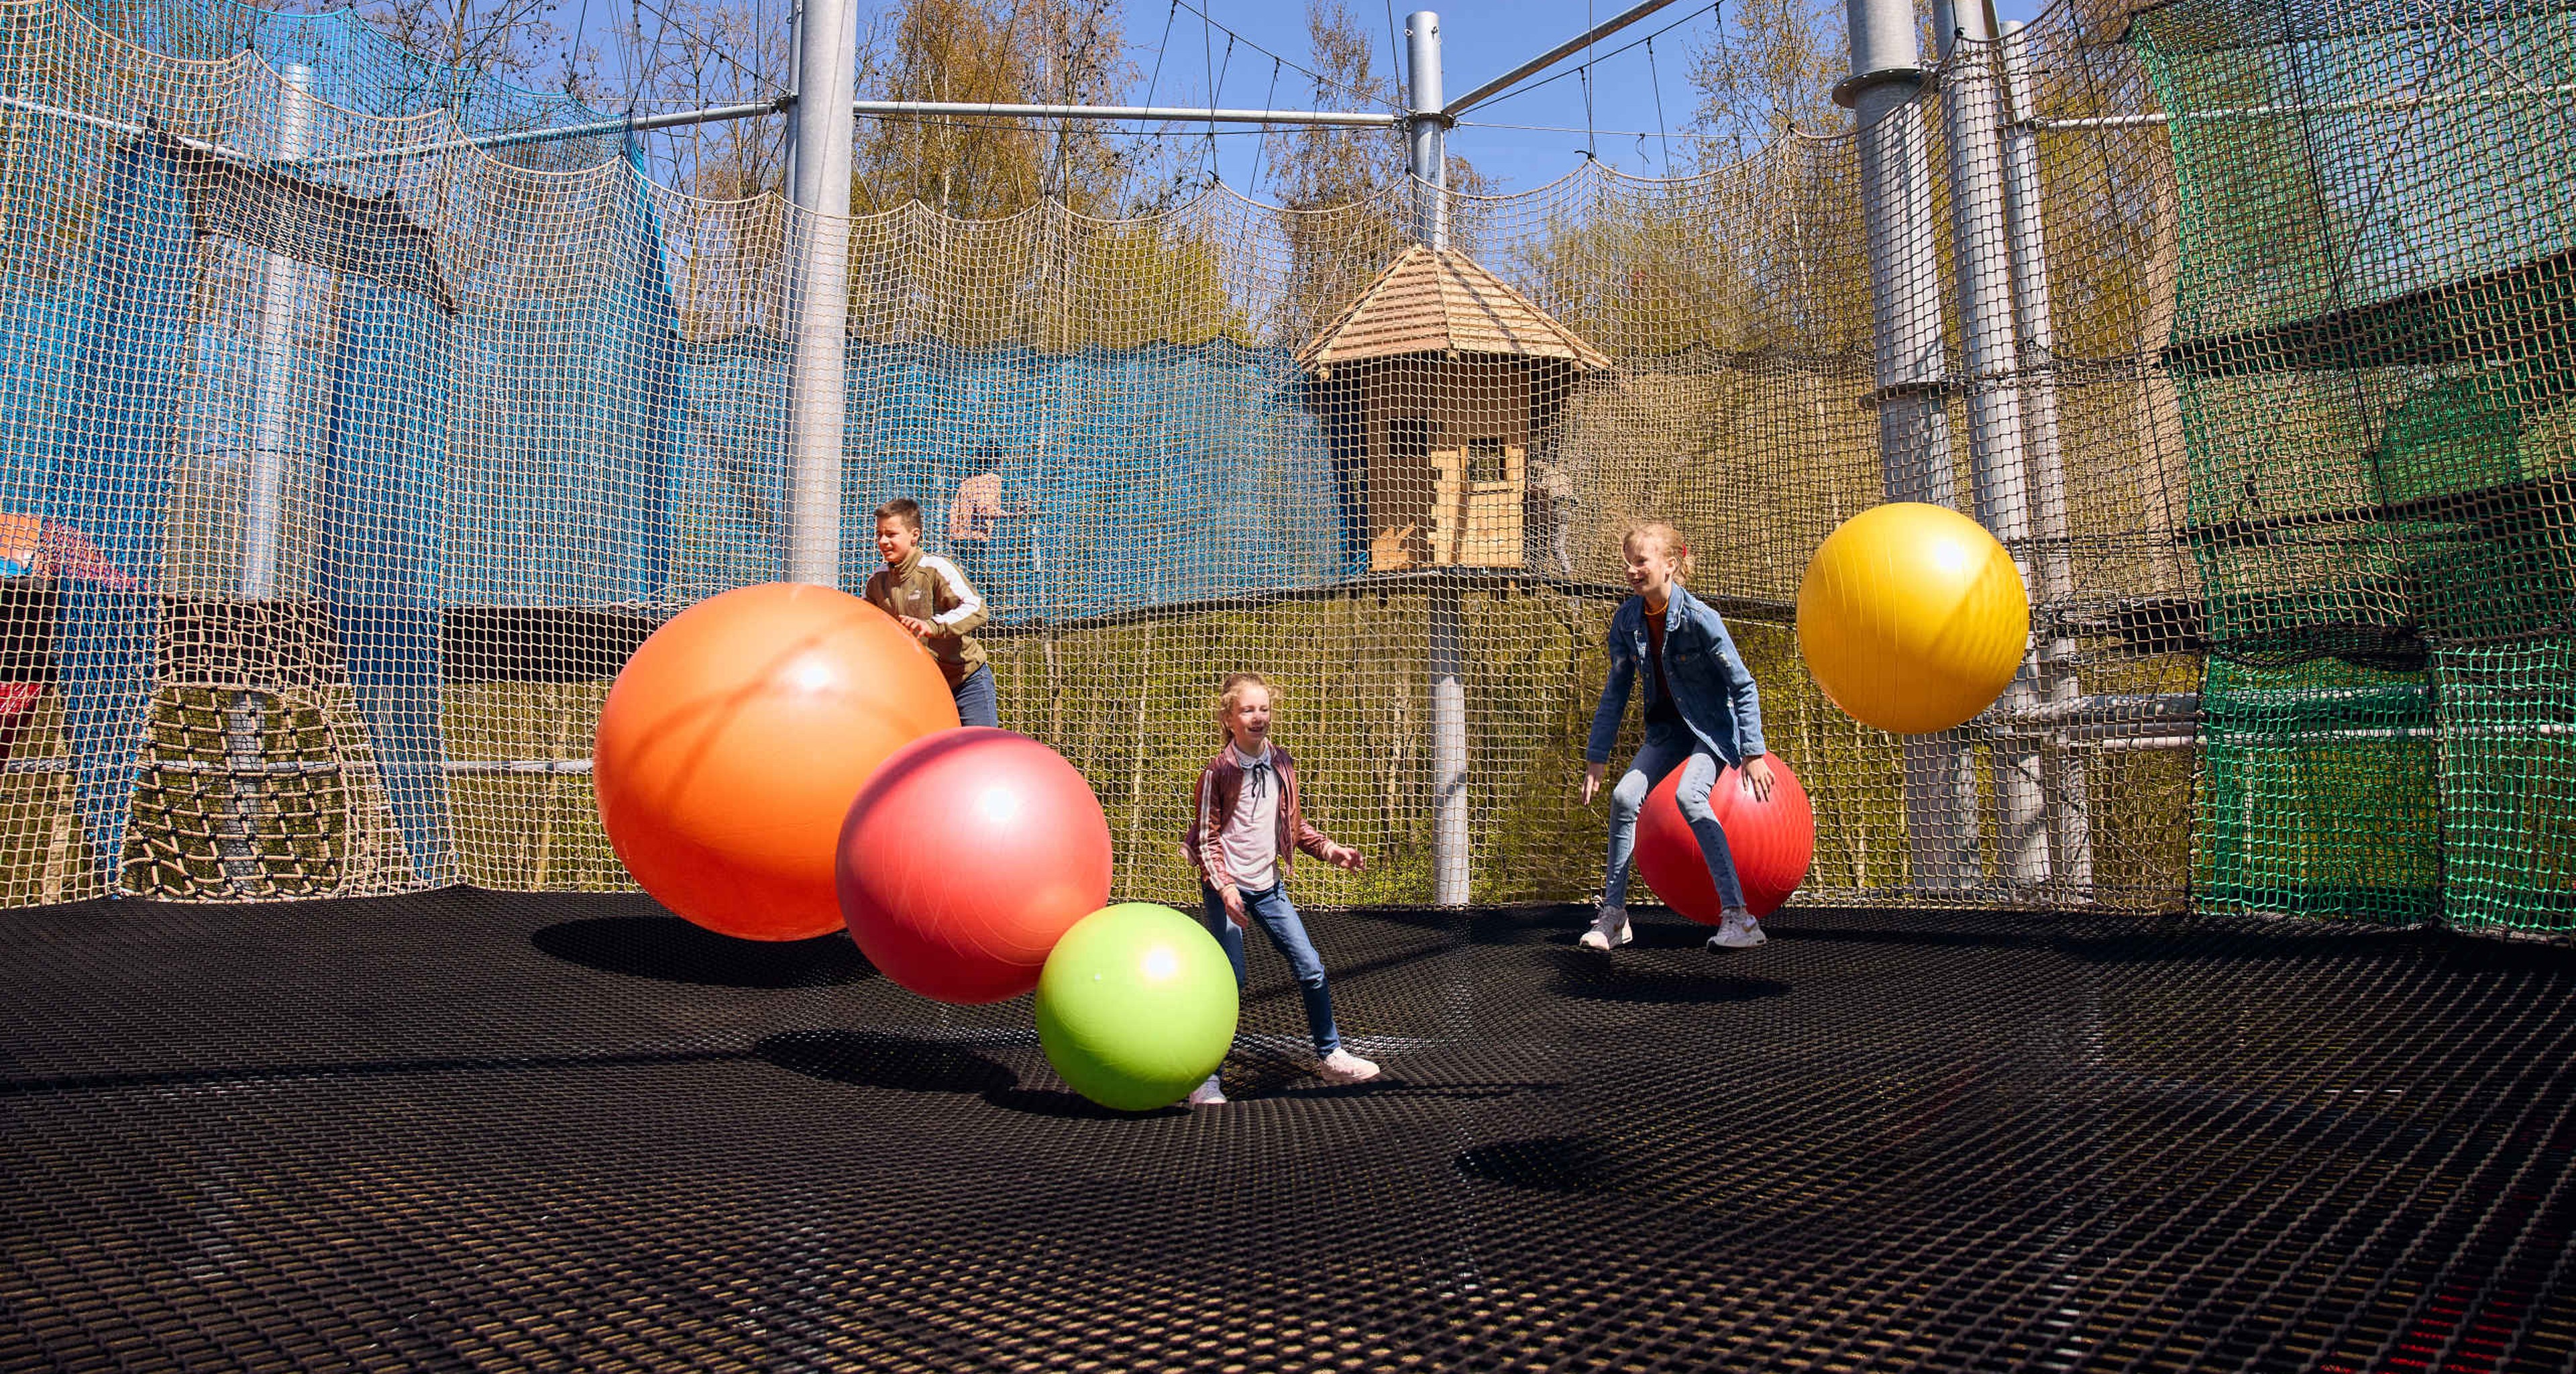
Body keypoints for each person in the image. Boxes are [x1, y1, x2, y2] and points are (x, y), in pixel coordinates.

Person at [1181, 672, 1379, 1106]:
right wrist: (1225, 887)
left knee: (1310, 966)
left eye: (1264, 709)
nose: (1258, 717)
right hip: (1226, 888)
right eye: (1248, 710)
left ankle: (1331, 1056)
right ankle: (1205, 1078)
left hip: (1268, 887)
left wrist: (1331, 850)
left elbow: (1294, 826)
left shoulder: (1282, 764)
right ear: (1229, 719)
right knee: (1229, 980)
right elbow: (1207, 839)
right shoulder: (1217, 773)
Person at [1580, 521, 1778, 953]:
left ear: (1670, 564)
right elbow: (1616, 690)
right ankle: (1614, 916)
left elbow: (1742, 685)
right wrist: (1598, 755)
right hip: (1668, 731)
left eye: (1642, 561)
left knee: (1690, 797)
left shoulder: (1701, 620)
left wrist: (1753, 752)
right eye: (1628, 562)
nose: (1632, 570)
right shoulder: (1628, 620)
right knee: (1625, 797)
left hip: (1709, 731)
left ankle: (1739, 918)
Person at [864, 498, 998, 729]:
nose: (883, 541)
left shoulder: (935, 569)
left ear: (914, 535)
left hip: (965, 681)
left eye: (891, 534)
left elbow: (976, 608)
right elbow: (863, 625)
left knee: (981, 752)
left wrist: (933, 626)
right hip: (922, 690)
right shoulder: (877, 581)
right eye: (878, 535)